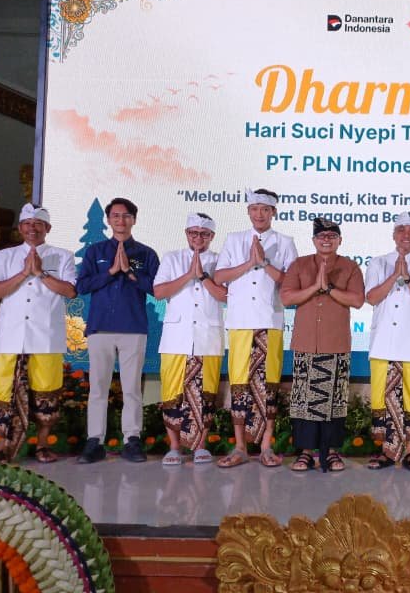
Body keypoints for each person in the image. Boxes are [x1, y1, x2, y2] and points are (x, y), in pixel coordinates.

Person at [0, 203, 76, 463]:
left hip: (46, 337)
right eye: (27, 223)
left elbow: (70, 291)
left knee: (46, 393)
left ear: (48, 228)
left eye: (38, 224)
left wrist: (40, 273)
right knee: (5, 391)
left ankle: (42, 445)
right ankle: (3, 446)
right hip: (11, 337)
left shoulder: (63, 256)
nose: (32, 228)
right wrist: (24, 273)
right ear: (20, 228)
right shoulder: (5, 256)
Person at [213, 189, 298, 468]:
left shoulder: (285, 242)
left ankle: (265, 446)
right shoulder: (234, 239)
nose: (259, 214)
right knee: (240, 383)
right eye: (254, 209)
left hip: (270, 321)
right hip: (240, 322)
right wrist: (250, 263)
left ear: (274, 212)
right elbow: (220, 276)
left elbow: (291, 283)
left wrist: (264, 264)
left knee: (268, 384)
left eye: (265, 209)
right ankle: (240, 447)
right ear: (248, 212)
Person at [75, 197, 160, 464]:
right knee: (98, 388)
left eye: (126, 216)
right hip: (100, 328)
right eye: (115, 216)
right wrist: (112, 271)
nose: (121, 220)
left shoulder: (146, 254)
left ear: (134, 219)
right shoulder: (95, 251)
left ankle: (131, 440)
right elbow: (82, 286)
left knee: (131, 388)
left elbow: (157, 289)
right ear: (108, 220)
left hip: (133, 327)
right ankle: (95, 441)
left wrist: (131, 273)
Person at [280, 217, 364, 473]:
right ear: (314, 240)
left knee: (335, 402)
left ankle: (332, 452)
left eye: (331, 236)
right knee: (303, 401)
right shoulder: (300, 264)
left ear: (340, 240)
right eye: (321, 236)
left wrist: (328, 289)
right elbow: (287, 298)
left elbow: (357, 300)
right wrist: (315, 286)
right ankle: (306, 453)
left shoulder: (350, 266)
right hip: (306, 342)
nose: (326, 240)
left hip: (336, 344)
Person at [364, 212, 410, 472]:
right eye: (401, 230)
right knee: (382, 397)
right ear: (394, 235)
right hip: (383, 342)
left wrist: (407, 278)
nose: (406, 235)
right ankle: (385, 452)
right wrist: (394, 274)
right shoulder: (378, 263)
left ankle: (409, 452)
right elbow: (372, 298)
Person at [153, 213, 227, 466]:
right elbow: (159, 292)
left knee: (206, 393)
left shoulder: (220, 260)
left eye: (204, 234)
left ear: (212, 236)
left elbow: (226, 296)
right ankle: (174, 447)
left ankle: (200, 446)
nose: (198, 238)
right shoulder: (172, 258)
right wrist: (188, 275)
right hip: (176, 338)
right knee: (172, 391)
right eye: (194, 233)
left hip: (209, 338)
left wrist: (203, 276)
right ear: (186, 233)